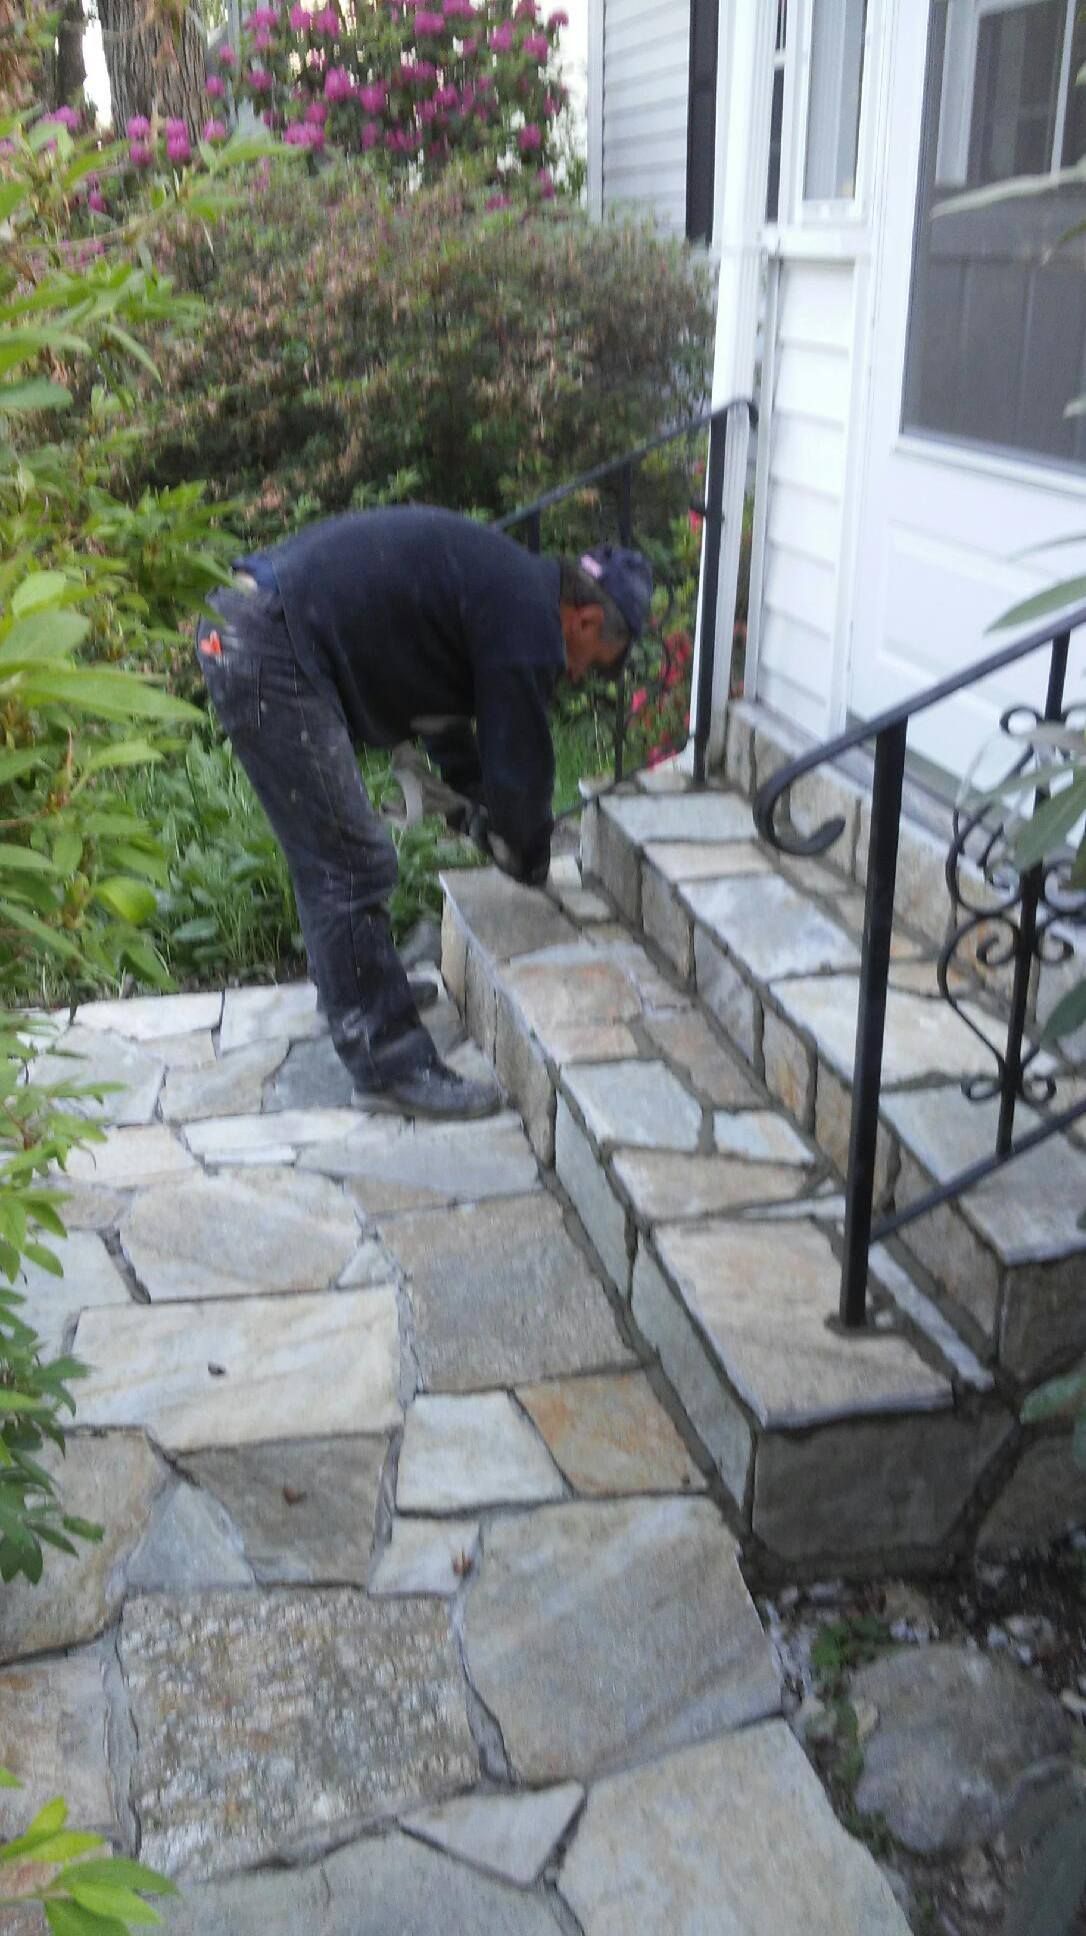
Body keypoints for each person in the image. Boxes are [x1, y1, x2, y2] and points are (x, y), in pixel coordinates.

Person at [195, 505, 653, 1121]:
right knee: (350, 862)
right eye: (590, 659)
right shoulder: (527, 621)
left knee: (330, 856)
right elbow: (520, 764)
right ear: (586, 617)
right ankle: (390, 1065)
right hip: (269, 644)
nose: (574, 675)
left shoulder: (502, 588)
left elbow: (444, 718)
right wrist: (526, 848)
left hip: (253, 627)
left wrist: (474, 802)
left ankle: (354, 988)